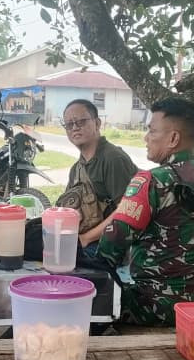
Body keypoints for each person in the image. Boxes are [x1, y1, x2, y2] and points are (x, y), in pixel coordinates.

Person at [97, 97, 194, 325]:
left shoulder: (151, 181)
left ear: (173, 138)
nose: (146, 138)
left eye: (152, 131)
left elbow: (113, 241)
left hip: (158, 307)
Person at [55, 99, 138, 264]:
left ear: (97, 123)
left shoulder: (112, 159)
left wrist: (85, 238)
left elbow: (127, 211)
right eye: (69, 124)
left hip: (110, 247)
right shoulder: (76, 169)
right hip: (85, 241)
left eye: (81, 121)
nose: (75, 127)